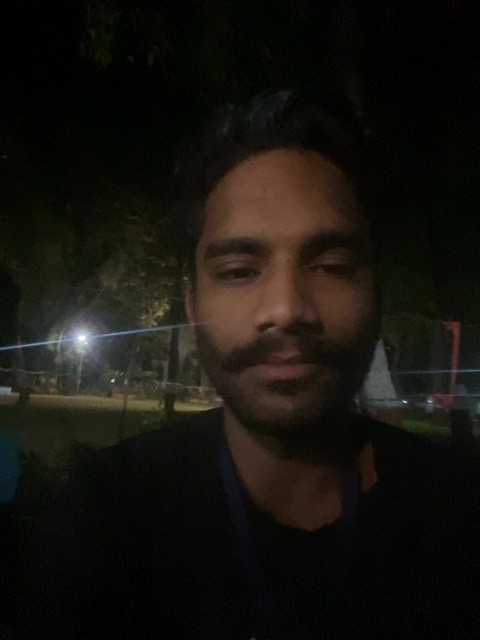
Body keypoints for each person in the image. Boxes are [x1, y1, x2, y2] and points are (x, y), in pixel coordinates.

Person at [25, 90, 479, 640]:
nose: (286, 309)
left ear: (376, 293)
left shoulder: (458, 515)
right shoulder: (111, 515)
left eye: (332, 265)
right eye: (239, 271)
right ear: (194, 307)